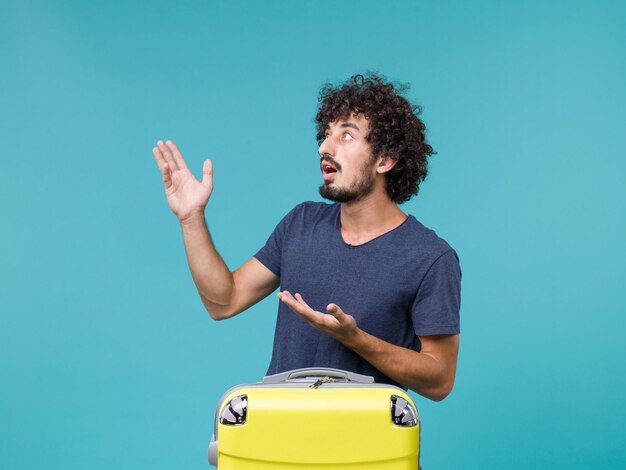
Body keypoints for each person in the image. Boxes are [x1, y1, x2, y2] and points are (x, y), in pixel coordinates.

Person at [152, 74, 460, 401]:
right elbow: (223, 301)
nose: (324, 147)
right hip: (281, 439)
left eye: (346, 135)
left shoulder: (430, 257)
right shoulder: (301, 223)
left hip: (366, 447)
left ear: (384, 159)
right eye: (326, 135)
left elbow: (439, 380)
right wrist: (191, 218)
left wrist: (355, 339)